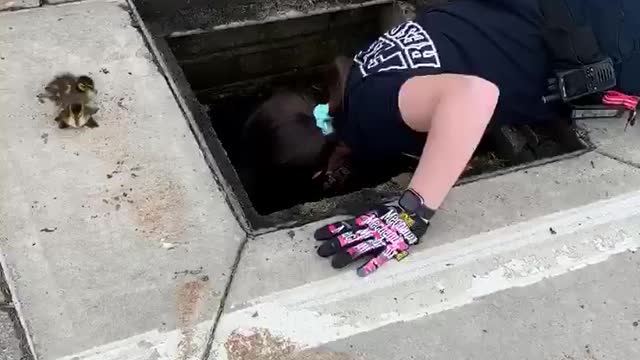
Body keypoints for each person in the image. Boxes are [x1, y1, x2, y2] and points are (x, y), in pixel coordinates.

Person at [244, 0, 640, 276]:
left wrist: (409, 213)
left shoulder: (368, 115)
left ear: (325, 174)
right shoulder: (362, 68)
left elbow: (474, 96)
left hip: (606, 37)